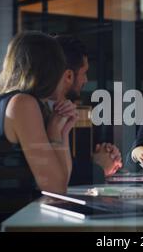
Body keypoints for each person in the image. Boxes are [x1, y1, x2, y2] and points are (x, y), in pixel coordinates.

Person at [0, 31, 78, 225]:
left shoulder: (24, 103)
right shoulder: (22, 104)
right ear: (50, 70)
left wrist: (63, 128)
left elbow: (62, 182)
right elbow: (56, 189)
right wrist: (53, 131)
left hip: (8, 220)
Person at [54, 35, 122, 185]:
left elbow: (68, 165)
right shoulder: (44, 112)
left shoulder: (63, 110)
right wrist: (98, 167)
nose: (86, 80)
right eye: (84, 73)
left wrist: (100, 157)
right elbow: (60, 176)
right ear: (69, 75)